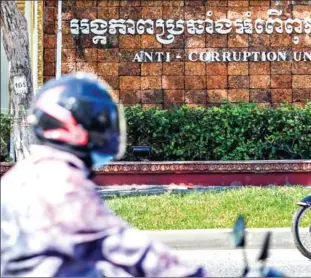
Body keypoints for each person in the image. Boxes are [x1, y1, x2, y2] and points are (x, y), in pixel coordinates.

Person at [1, 73, 207, 277]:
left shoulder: (25, 174)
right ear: (75, 127)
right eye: (100, 121)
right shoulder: (62, 184)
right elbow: (131, 249)